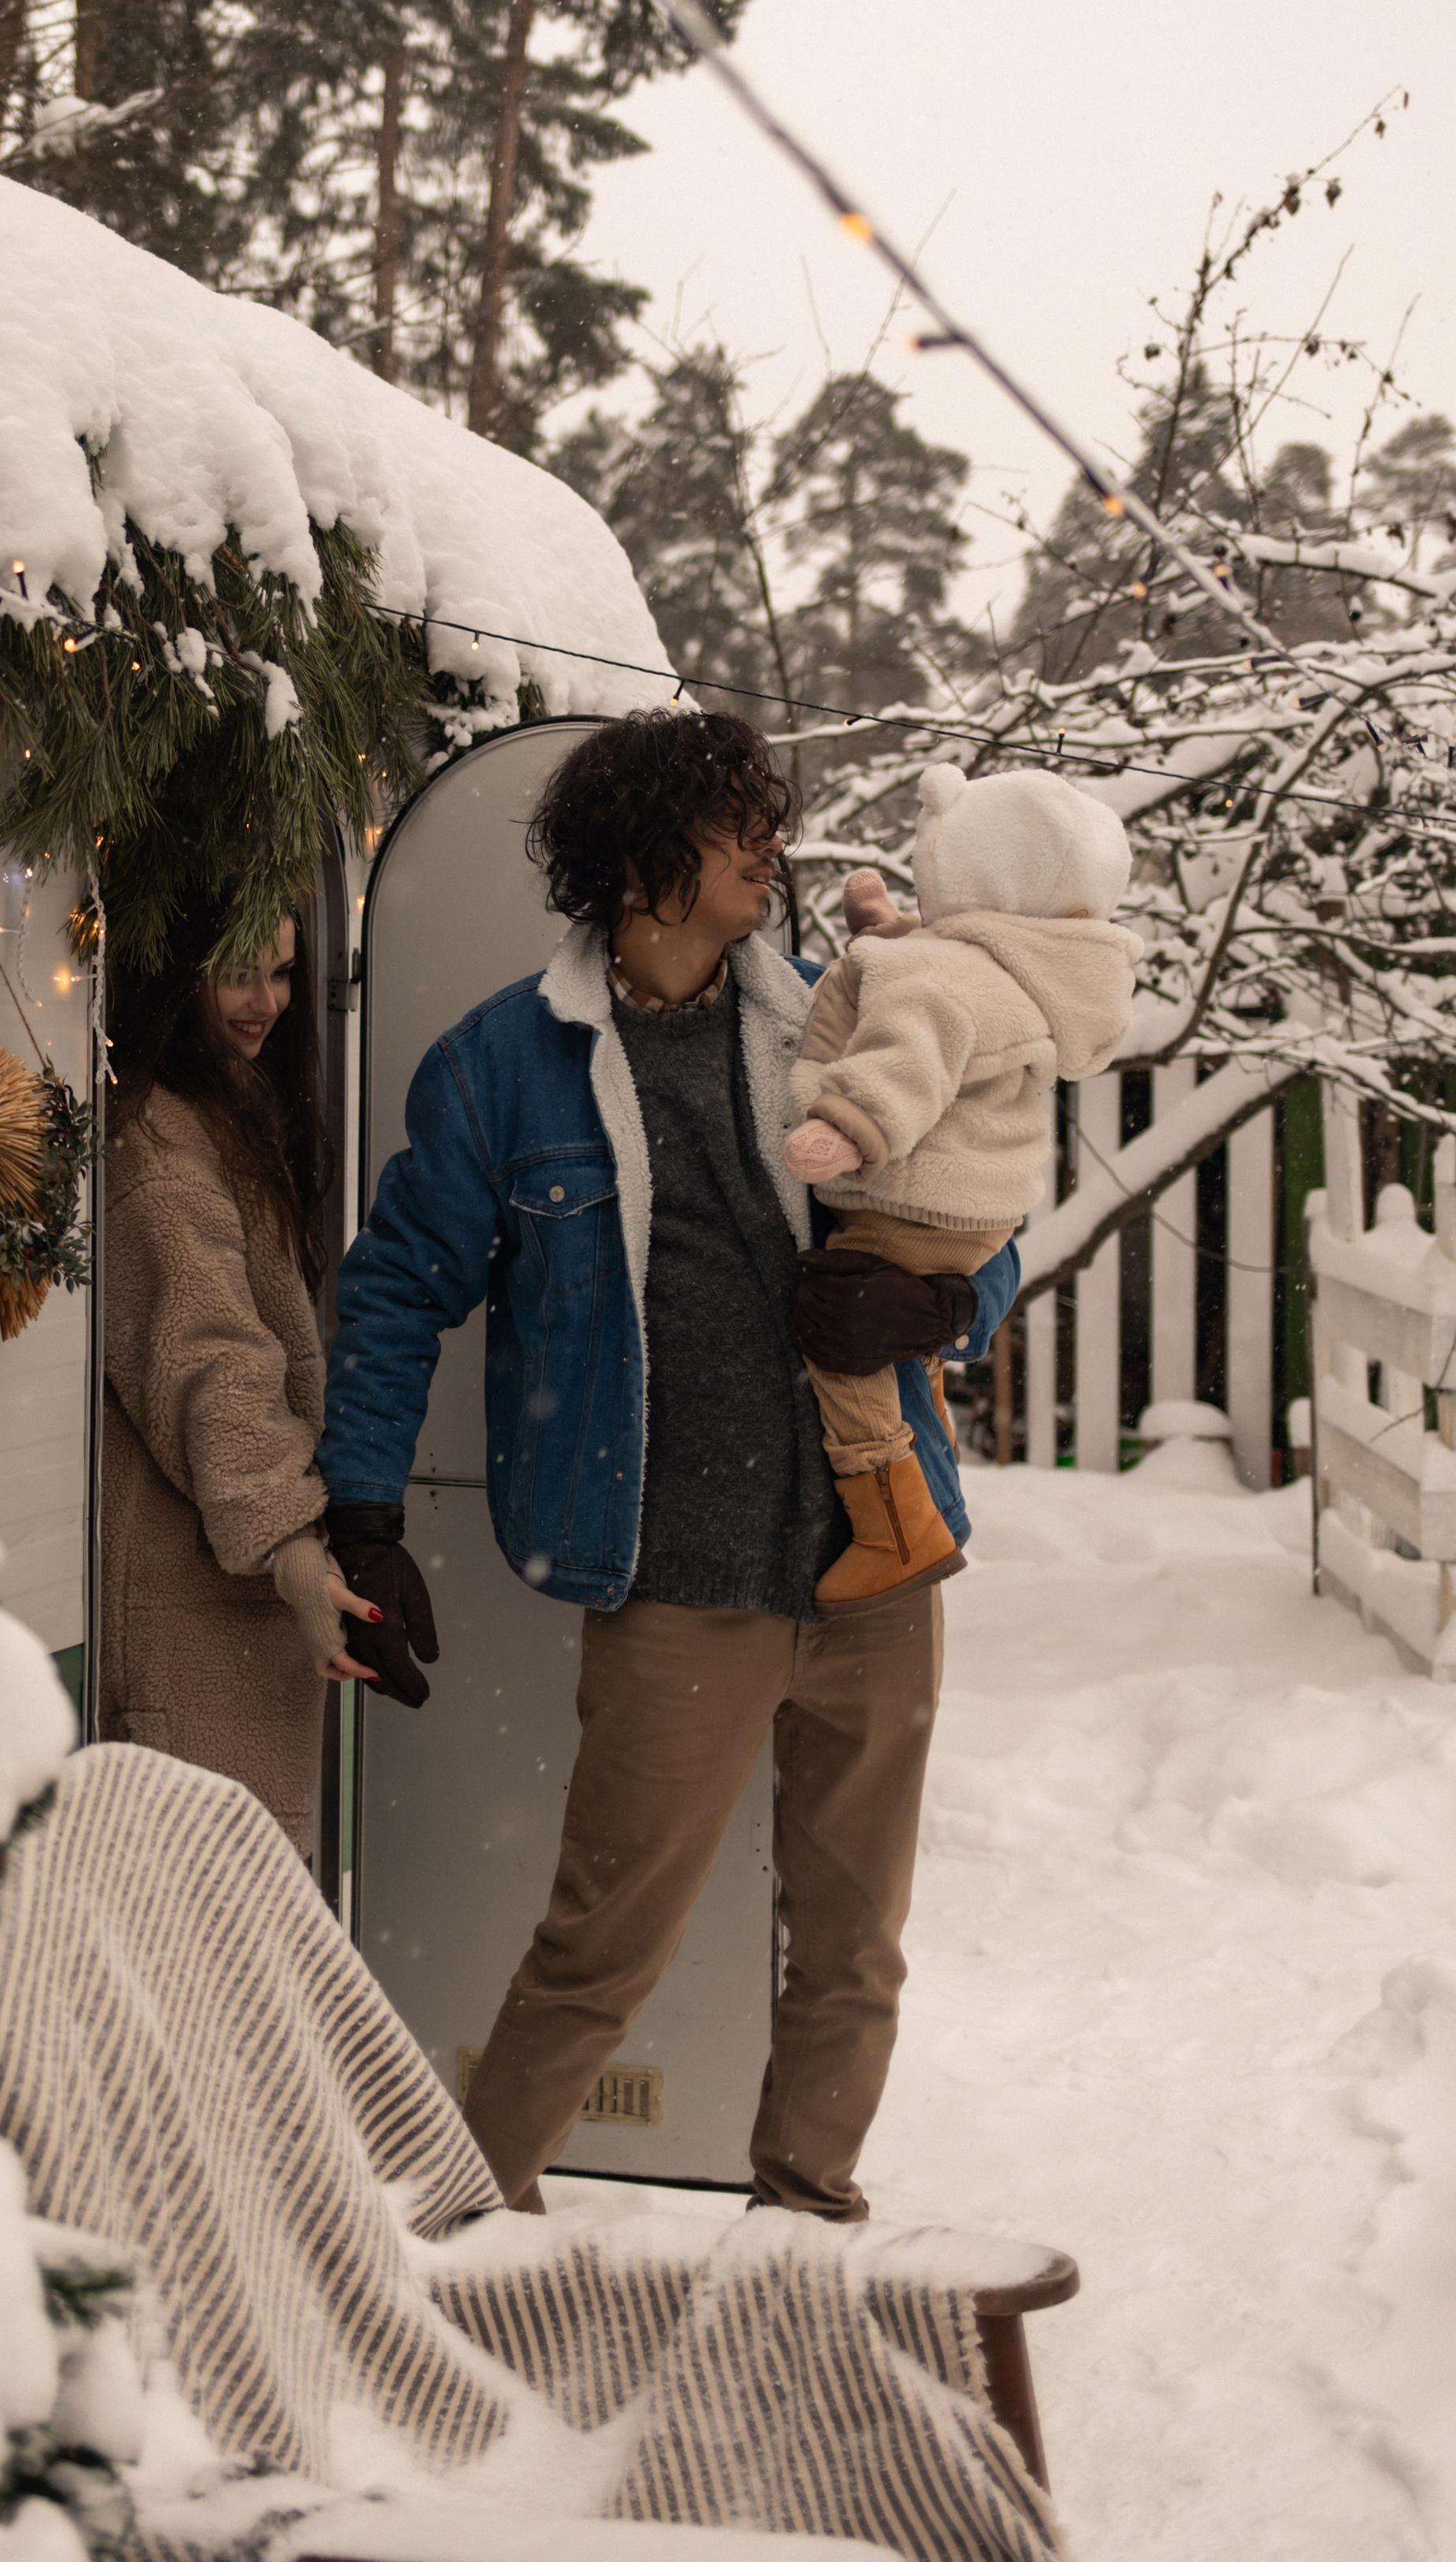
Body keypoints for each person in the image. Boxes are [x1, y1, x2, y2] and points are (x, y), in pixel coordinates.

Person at [315, 710, 1019, 2217]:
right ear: (640, 853)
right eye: (736, 823)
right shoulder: (506, 1064)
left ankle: (804, 2214)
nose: (774, 848)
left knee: (854, 1943)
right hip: (674, 1584)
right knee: (599, 1947)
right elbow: (392, 1290)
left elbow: (977, 1218)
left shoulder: (835, 1018)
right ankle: (453, 2235)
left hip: (877, 1556)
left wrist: (945, 1304)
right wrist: (363, 1514)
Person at [783, 762, 1137, 1608]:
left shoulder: (939, 983)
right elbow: (941, 973)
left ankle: (895, 1526)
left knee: (838, 1340)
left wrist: (851, 1128)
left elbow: (914, 1049)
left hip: (910, 1198)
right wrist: (884, 929)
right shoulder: (1026, 966)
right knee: (882, 1337)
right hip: (980, 1208)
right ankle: (912, 1490)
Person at [95, 903, 383, 1859]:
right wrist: (290, 1542)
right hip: (186, 1594)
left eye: (285, 974)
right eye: (239, 973)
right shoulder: (161, 1145)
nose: (266, 1003)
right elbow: (207, 1358)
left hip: (218, 1582)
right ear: (178, 973)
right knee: (210, 1925)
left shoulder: (222, 1109)